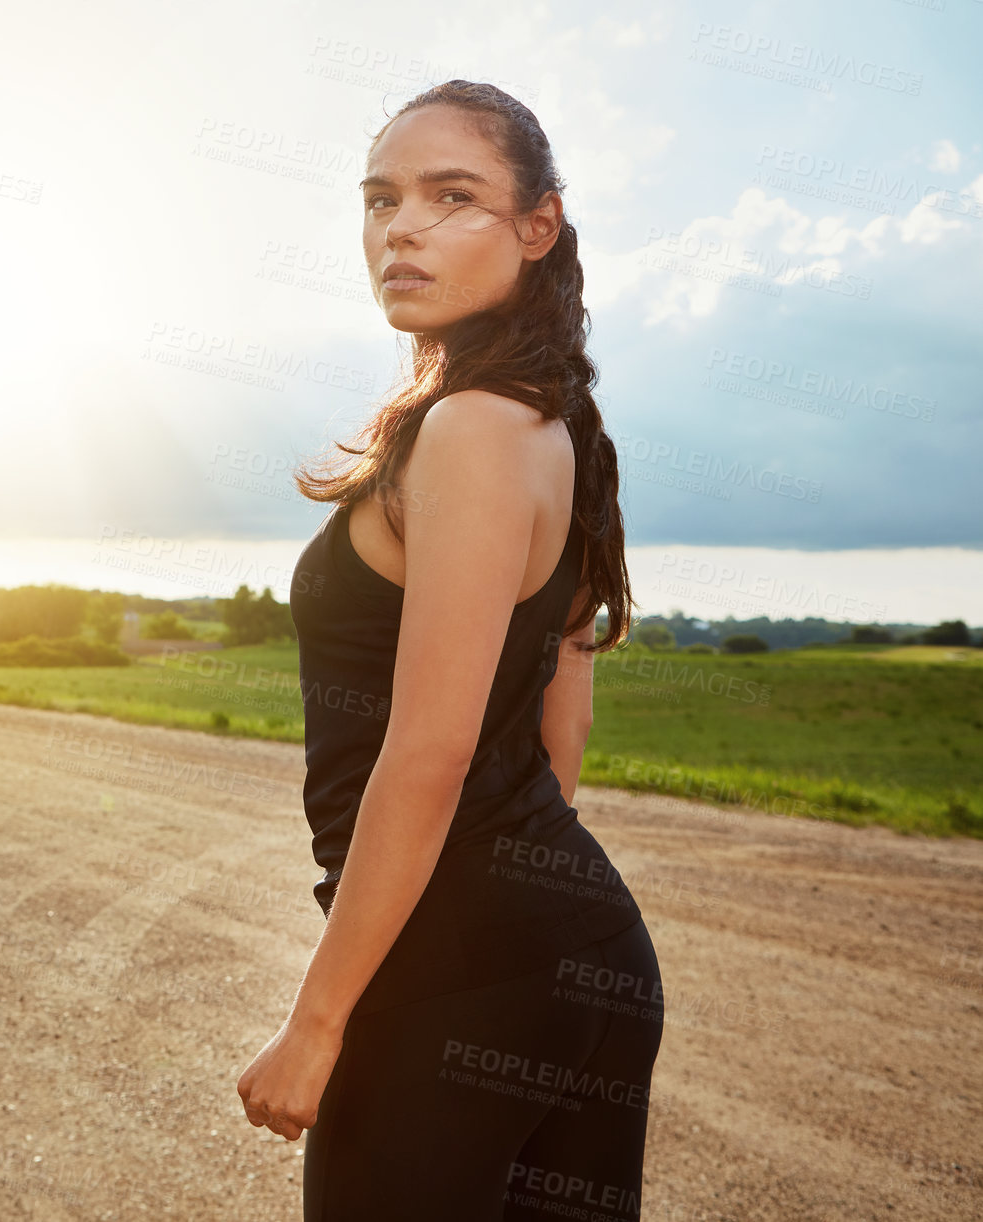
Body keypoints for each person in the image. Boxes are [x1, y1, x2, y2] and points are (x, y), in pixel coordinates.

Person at [235, 80, 667, 1219]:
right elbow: (557, 724)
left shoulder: (470, 429)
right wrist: (525, 911)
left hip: (455, 971)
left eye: (451, 195)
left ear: (540, 225)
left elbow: (427, 752)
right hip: (583, 951)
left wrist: (318, 1020)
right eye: (380, 200)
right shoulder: (557, 425)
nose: (400, 227)